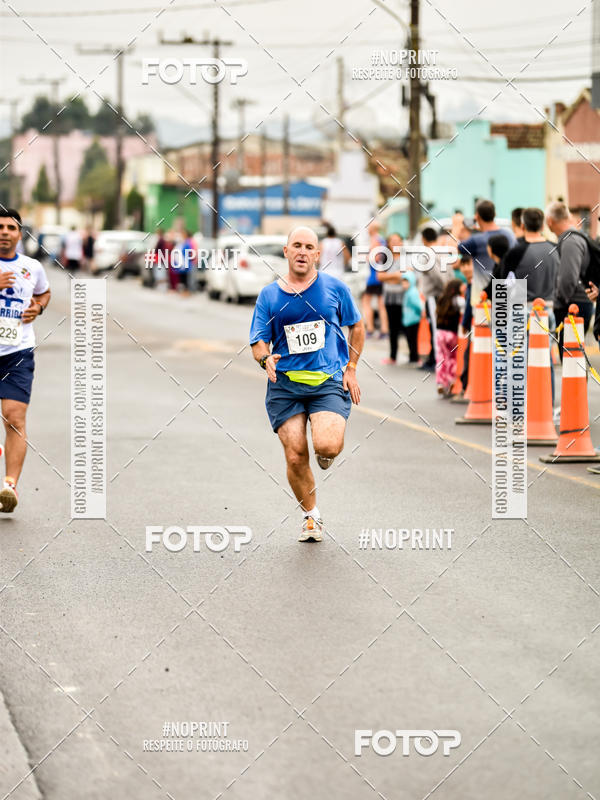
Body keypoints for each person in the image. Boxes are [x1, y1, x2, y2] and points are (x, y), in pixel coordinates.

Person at [250, 226, 364, 542]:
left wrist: (351, 367)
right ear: (286, 252)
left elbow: (356, 325)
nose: (302, 251)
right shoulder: (269, 295)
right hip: (285, 385)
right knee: (296, 454)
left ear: (317, 254)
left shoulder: (334, 289)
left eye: (308, 247)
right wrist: (265, 359)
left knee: (327, 446)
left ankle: (325, 452)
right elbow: (258, 341)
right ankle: (311, 517)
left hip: (327, 381)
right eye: (296, 245)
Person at [0, 209, 51, 512]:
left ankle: (9, 486)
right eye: (0, 227)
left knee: (14, 418)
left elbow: (44, 294)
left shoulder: (32, 267)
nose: (4, 231)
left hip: (18, 353)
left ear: (19, 234)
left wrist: (39, 309)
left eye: (11, 227)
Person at [545, 201, 595, 357]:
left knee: (571, 358)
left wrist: (560, 300)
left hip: (573, 305)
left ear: (550, 222)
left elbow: (568, 278)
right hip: (578, 302)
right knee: (574, 357)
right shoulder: (575, 238)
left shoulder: (570, 241)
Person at [458, 199, 516, 308]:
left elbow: (454, 248)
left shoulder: (476, 240)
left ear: (477, 217)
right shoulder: (509, 235)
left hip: (483, 300)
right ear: (494, 214)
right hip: (507, 297)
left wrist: (457, 227)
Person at [418, 226, 448, 370]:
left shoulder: (429, 254)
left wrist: (444, 289)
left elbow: (437, 276)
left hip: (434, 295)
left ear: (424, 239)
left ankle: (437, 361)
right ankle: (433, 358)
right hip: (442, 295)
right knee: (437, 327)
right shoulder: (442, 251)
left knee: (435, 328)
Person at [377, 233, 405, 364]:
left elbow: (407, 274)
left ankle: (414, 356)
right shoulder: (385, 258)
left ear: (402, 243)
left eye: (397, 241)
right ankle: (393, 356)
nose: (395, 243)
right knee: (392, 327)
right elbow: (380, 276)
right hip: (389, 297)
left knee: (408, 327)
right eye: (392, 241)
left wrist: (390, 277)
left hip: (405, 297)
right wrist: (396, 276)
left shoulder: (406, 257)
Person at [435, 279, 466, 397]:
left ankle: (441, 384)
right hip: (452, 334)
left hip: (440, 333)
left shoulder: (441, 299)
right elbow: (465, 309)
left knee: (441, 358)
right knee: (452, 358)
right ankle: (452, 381)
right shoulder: (458, 300)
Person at [362, 220, 388, 339]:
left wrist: (368, 257)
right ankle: (384, 330)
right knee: (381, 303)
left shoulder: (375, 240)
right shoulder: (383, 240)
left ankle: (370, 329)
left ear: (372, 229)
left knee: (366, 302)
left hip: (374, 276)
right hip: (382, 274)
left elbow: (375, 257)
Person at [458, 256, 473, 397]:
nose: (466, 268)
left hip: (478, 328)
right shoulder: (469, 284)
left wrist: (464, 323)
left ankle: (466, 387)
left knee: (468, 356)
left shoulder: (475, 284)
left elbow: (470, 306)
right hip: (474, 328)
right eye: (463, 265)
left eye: (469, 264)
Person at [400, 271, 423, 364]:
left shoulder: (412, 292)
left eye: (406, 282)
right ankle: (412, 356)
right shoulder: (408, 292)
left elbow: (418, 305)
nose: (404, 284)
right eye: (403, 282)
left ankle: (414, 357)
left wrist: (421, 312)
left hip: (413, 319)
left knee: (412, 339)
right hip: (408, 319)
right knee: (410, 339)